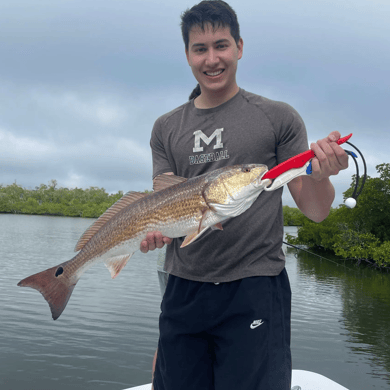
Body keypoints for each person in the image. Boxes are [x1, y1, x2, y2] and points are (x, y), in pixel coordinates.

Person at [141, 1, 349, 389]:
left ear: (239, 46)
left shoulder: (278, 118)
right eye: (200, 48)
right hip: (183, 287)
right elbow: (163, 201)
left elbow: (315, 210)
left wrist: (321, 176)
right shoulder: (166, 127)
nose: (212, 58)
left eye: (221, 45)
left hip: (255, 287)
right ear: (187, 54)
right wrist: (155, 231)